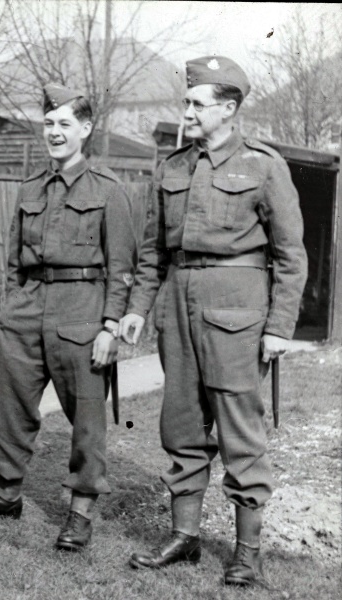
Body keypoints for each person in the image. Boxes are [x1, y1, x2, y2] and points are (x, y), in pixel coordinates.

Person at [119, 56, 307, 585]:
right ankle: (185, 536)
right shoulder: (173, 166)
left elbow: (292, 255)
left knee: (239, 429)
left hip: (237, 309)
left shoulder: (264, 166)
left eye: (198, 103)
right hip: (177, 308)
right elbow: (153, 252)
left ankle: (248, 551)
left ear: (229, 108)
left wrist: (278, 327)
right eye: (187, 101)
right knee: (180, 422)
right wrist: (136, 310)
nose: (189, 111)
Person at [0, 83, 136, 551]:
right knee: (7, 406)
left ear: (86, 128)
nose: (54, 133)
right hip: (26, 307)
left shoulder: (109, 189)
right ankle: (7, 493)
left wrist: (111, 325)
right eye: (48, 123)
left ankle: (80, 512)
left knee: (87, 417)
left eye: (64, 124)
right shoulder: (31, 186)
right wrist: (13, 307)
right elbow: (14, 261)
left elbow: (122, 268)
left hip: (81, 308)